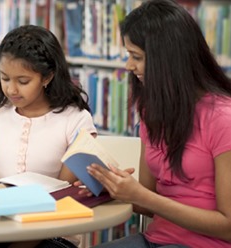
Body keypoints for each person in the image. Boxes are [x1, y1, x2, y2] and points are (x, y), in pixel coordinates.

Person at [85, 0, 231, 247]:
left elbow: (228, 228)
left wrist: (144, 197)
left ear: (168, 59)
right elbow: (148, 200)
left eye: (136, 56)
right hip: (155, 239)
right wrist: (111, 187)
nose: (129, 66)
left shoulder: (223, 119)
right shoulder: (151, 110)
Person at [0, 25, 97, 248]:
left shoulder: (75, 119)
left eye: (23, 81)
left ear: (47, 76)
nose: (11, 90)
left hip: (51, 230)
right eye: (5, 78)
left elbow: (64, 194)